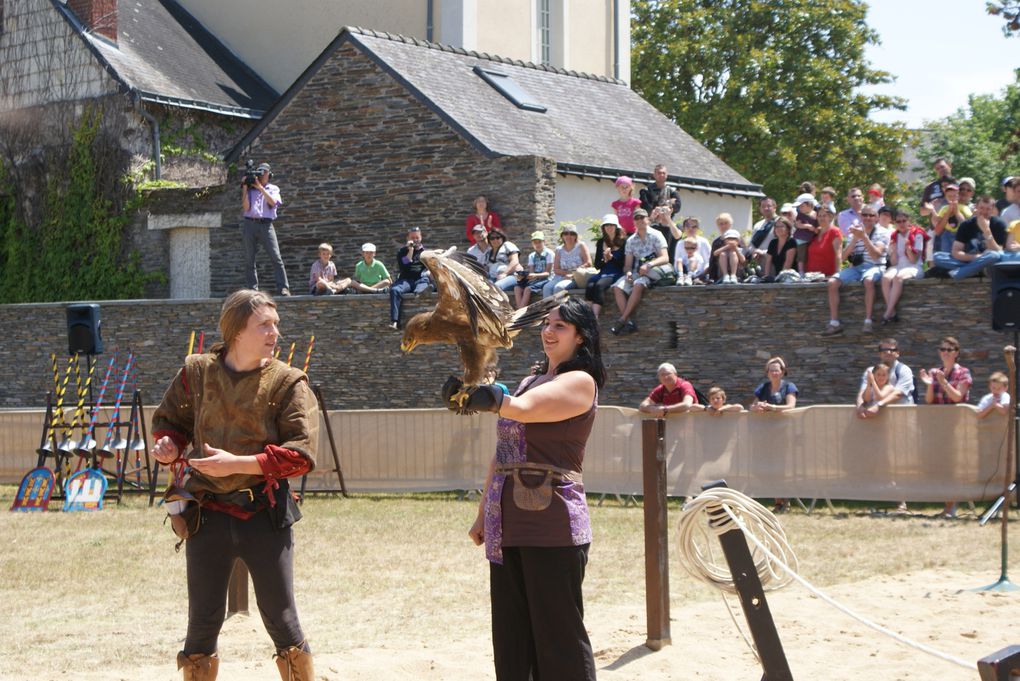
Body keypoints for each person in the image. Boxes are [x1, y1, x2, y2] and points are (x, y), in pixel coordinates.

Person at [151, 289, 318, 680]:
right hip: (206, 514)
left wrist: (237, 465)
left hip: (263, 513)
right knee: (202, 621)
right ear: (236, 330)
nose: (275, 332)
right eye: (264, 324)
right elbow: (170, 421)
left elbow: (300, 454)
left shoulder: (288, 381)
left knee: (282, 619)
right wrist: (168, 446)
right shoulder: (197, 371)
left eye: (275, 324)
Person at [447, 296, 604, 681]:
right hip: (509, 522)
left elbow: (524, 409)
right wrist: (483, 511)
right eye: (547, 324)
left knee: (559, 637)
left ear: (581, 338)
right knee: (513, 635)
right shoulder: (531, 379)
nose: (548, 332)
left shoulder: (580, 382)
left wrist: (492, 397)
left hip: (553, 526)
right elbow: (503, 451)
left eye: (560, 327)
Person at [919, 336, 973, 518]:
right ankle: (947, 506)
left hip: (957, 425)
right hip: (938, 426)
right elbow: (929, 400)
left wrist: (943, 383)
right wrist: (929, 385)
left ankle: (952, 507)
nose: (944, 353)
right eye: (942, 349)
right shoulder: (935, 372)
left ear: (956, 353)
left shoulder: (964, 372)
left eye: (949, 350)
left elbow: (958, 397)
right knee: (942, 465)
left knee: (953, 466)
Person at [821, 205, 888, 336]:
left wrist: (864, 237)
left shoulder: (883, 232)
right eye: (865, 215)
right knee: (832, 282)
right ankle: (834, 322)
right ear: (860, 217)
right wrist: (855, 239)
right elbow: (843, 257)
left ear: (877, 218)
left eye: (871, 215)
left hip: (876, 266)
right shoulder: (854, 232)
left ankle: (868, 320)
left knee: (868, 281)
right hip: (857, 268)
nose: (868, 218)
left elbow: (876, 255)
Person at [750, 356, 797, 513]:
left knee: (782, 467)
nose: (774, 373)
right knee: (769, 465)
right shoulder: (763, 387)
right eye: (771, 370)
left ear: (782, 372)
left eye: (777, 370)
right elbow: (753, 405)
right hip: (766, 433)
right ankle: (778, 501)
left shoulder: (789, 386)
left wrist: (772, 407)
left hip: (784, 432)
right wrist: (756, 408)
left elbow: (791, 406)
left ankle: (784, 500)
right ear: (767, 372)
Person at [610, 208, 669, 334]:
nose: (640, 220)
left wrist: (649, 265)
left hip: (653, 271)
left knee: (638, 284)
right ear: (634, 222)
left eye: (642, 217)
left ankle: (622, 320)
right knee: (617, 287)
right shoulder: (630, 241)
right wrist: (628, 273)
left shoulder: (656, 235)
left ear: (647, 219)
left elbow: (665, 258)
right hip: (637, 272)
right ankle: (629, 322)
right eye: (636, 218)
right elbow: (627, 265)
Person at [241, 162, 291, 296]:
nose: (262, 175)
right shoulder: (250, 190)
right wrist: (245, 187)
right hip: (250, 223)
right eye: (260, 172)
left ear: (269, 174)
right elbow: (246, 208)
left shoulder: (273, 188)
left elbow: (273, 202)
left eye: (264, 172)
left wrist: (260, 188)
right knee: (249, 258)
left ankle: (283, 288)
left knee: (276, 257)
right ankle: (252, 289)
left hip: (266, 224)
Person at [932, 195, 1006, 279]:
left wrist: (986, 231)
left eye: (988, 209)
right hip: (971, 259)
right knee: (937, 256)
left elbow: (999, 251)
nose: (984, 211)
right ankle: (975, 270)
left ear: (992, 209)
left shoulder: (999, 224)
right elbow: (956, 252)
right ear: (976, 207)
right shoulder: (966, 224)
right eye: (981, 208)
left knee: (994, 256)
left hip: (989, 261)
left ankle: (961, 272)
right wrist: (977, 258)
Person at [880, 210, 926, 323]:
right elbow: (894, 262)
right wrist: (894, 250)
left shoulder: (917, 234)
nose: (901, 224)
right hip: (899, 266)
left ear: (909, 221)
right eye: (898, 221)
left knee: (898, 278)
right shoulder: (894, 236)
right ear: (894, 223)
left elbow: (914, 260)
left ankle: (887, 313)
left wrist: (908, 248)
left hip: (914, 266)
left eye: (904, 221)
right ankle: (893, 313)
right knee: (886, 278)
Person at [857, 338, 916, 420]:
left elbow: (897, 394)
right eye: (884, 350)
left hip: (900, 417)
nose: (888, 352)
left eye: (892, 350)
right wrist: (860, 406)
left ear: (897, 353)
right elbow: (862, 393)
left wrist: (878, 406)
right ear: (879, 354)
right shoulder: (870, 371)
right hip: (874, 419)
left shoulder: (904, 370)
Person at [389, 226, 430, 330]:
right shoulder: (402, 252)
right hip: (406, 280)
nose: (415, 240)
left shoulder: (425, 252)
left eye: (417, 237)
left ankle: (420, 294)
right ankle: (394, 321)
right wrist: (410, 250)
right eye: (413, 237)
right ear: (408, 238)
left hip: (420, 279)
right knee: (394, 290)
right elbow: (405, 265)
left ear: (421, 237)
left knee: (423, 288)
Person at [585, 216, 626, 316]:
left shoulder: (624, 241)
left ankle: (595, 317)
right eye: (606, 225)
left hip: (617, 273)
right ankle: (587, 316)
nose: (609, 227)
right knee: (590, 284)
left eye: (611, 225)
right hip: (603, 272)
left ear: (616, 227)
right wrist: (605, 259)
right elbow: (597, 266)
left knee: (600, 285)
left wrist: (612, 258)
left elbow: (624, 264)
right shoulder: (600, 242)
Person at [543, 224, 592, 297]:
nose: (568, 236)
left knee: (558, 288)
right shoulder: (559, 249)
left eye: (572, 234)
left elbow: (588, 263)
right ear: (562, 236)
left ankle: (558, 308)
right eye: (566, 234)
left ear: (575, 236)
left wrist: (573, 274)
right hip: (560, 277)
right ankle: (548, 308)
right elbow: (556, 269)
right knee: (546, 287)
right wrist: (566, 274)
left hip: (576, 278)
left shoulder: (581, 246)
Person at [515, 231, 553, 309]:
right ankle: (519, 310)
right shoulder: (532, 256)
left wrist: (535, 275)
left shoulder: (549, 253)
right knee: (517, 288)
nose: (537, 244)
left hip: (546, 279)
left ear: (544, 242)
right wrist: (524, 276)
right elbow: (531, 271)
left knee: (528, 289)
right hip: (535, 279)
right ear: (532, 244)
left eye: (539, 242)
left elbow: (547, 273)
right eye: (535, 242)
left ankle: (520, 312)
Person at [805, 203, 843, 277]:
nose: (821, 218)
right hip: (811, 277)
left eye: (824, 215)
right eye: (819, 216)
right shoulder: (815, 233)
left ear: (830, 217)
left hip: (827, 277)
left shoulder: (834, 231)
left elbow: (838, 254)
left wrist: (837, 275)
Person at [710, 213, 746, 284]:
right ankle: (725, 275)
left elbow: (745, 259)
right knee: (723, 254)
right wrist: (712, 277)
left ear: (731, 224)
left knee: (733, 253)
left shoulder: (739, 240)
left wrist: (735, 248)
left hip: (738, 270)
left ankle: (733, 275)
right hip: (721, 271)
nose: (723, 226)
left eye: (726, 223)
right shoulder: (716, 242)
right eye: (721, 224)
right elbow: (713, 259)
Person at [748, 197, 779, 272]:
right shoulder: (758, 225)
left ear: (775, 207)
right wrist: (754, 252)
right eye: (763, 206)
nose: (766, 208)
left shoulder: (781, 222)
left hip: (776, 261)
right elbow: (751, 244)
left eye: (768, 206)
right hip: (760, 262)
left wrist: (763, 252)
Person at [677, 217, 712, 282]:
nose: (691, 229)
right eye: (688, 226)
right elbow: (676, 262)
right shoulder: (680, 243)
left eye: (694, 227)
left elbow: (709, 261)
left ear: (698, 228)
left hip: (701, 275)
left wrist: (700, 275)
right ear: (684, 228)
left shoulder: (704, 242)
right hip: (683, 275)